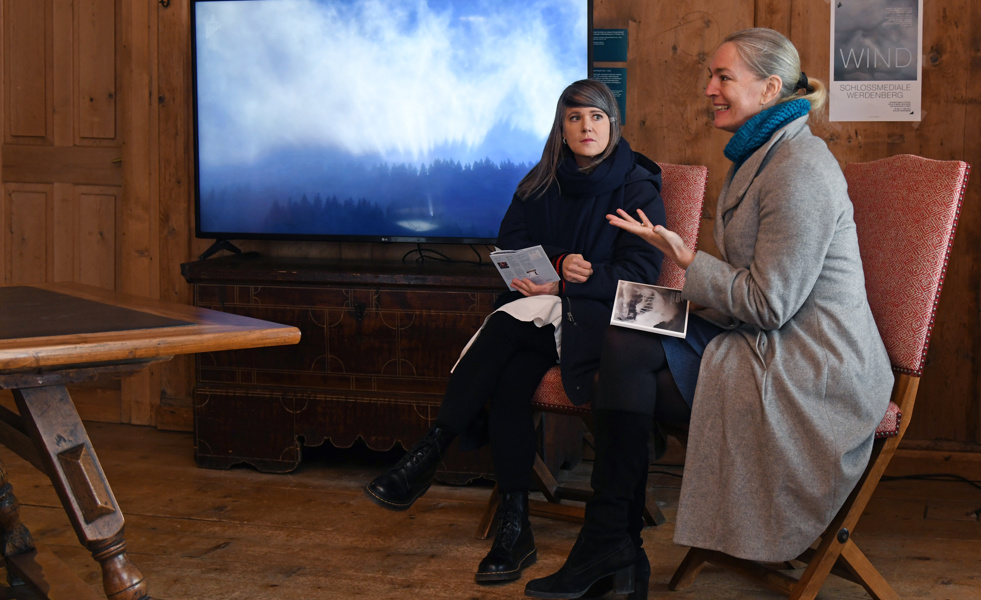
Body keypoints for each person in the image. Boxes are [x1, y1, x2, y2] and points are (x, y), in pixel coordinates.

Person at [524, 28, 893, 600]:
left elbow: (769, 305)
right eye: (710, 76)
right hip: (756, 329)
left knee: (624, 355)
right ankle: (612, 541)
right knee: (630, 313)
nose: (709, 89)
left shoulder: (798, 169)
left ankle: (610, 542)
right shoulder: (763, 154)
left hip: (809, 358)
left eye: (724, 77)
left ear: (770, 88)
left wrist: (686, 257)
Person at [364, 79, 666, 584]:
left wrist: (572, 279)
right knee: (509, 383)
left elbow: (643, 273)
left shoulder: (636, 185)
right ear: (561, 128)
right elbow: (509, 247)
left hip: (600, 320)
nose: (586, 127)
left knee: (506, 329)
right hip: (537, 313)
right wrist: (554, 266)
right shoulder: (540, 181)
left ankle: (433, 451)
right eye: (575, 118)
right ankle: (515, 527)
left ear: (612, 125)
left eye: (596, 117)